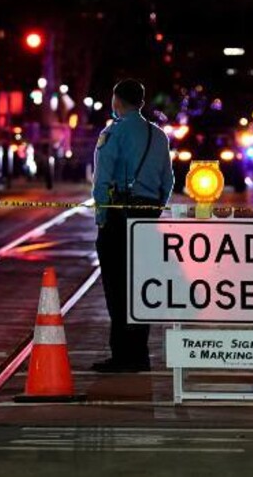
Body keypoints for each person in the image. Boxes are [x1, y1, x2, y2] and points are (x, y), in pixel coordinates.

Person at [91, 79, 174, 372]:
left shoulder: (113, 133)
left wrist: (102, 217)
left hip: (119, 214)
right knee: (142, 286)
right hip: (148, 215)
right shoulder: (159, 136)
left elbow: (102, 181)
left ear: (117, 101)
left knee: (116, 286)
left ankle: (122, 355)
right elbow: (168, 180)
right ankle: (140, 353)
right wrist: (154, 209)